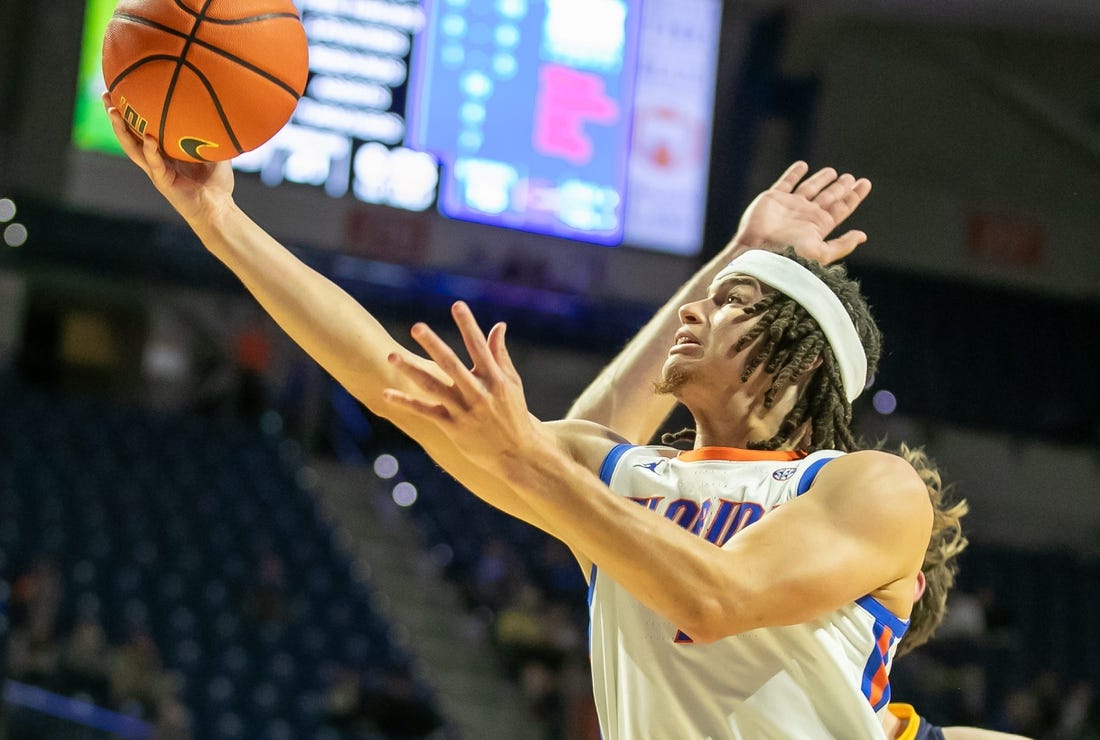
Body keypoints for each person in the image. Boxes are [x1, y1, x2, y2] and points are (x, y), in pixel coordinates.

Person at [103, 94, 930, 737]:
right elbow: (387, 379)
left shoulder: (869, 488)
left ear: (803, 356)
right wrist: (220, 223)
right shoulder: (627, 481)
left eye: (731, 301)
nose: (689, 312)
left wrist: (529, 458)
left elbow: (714, 599)